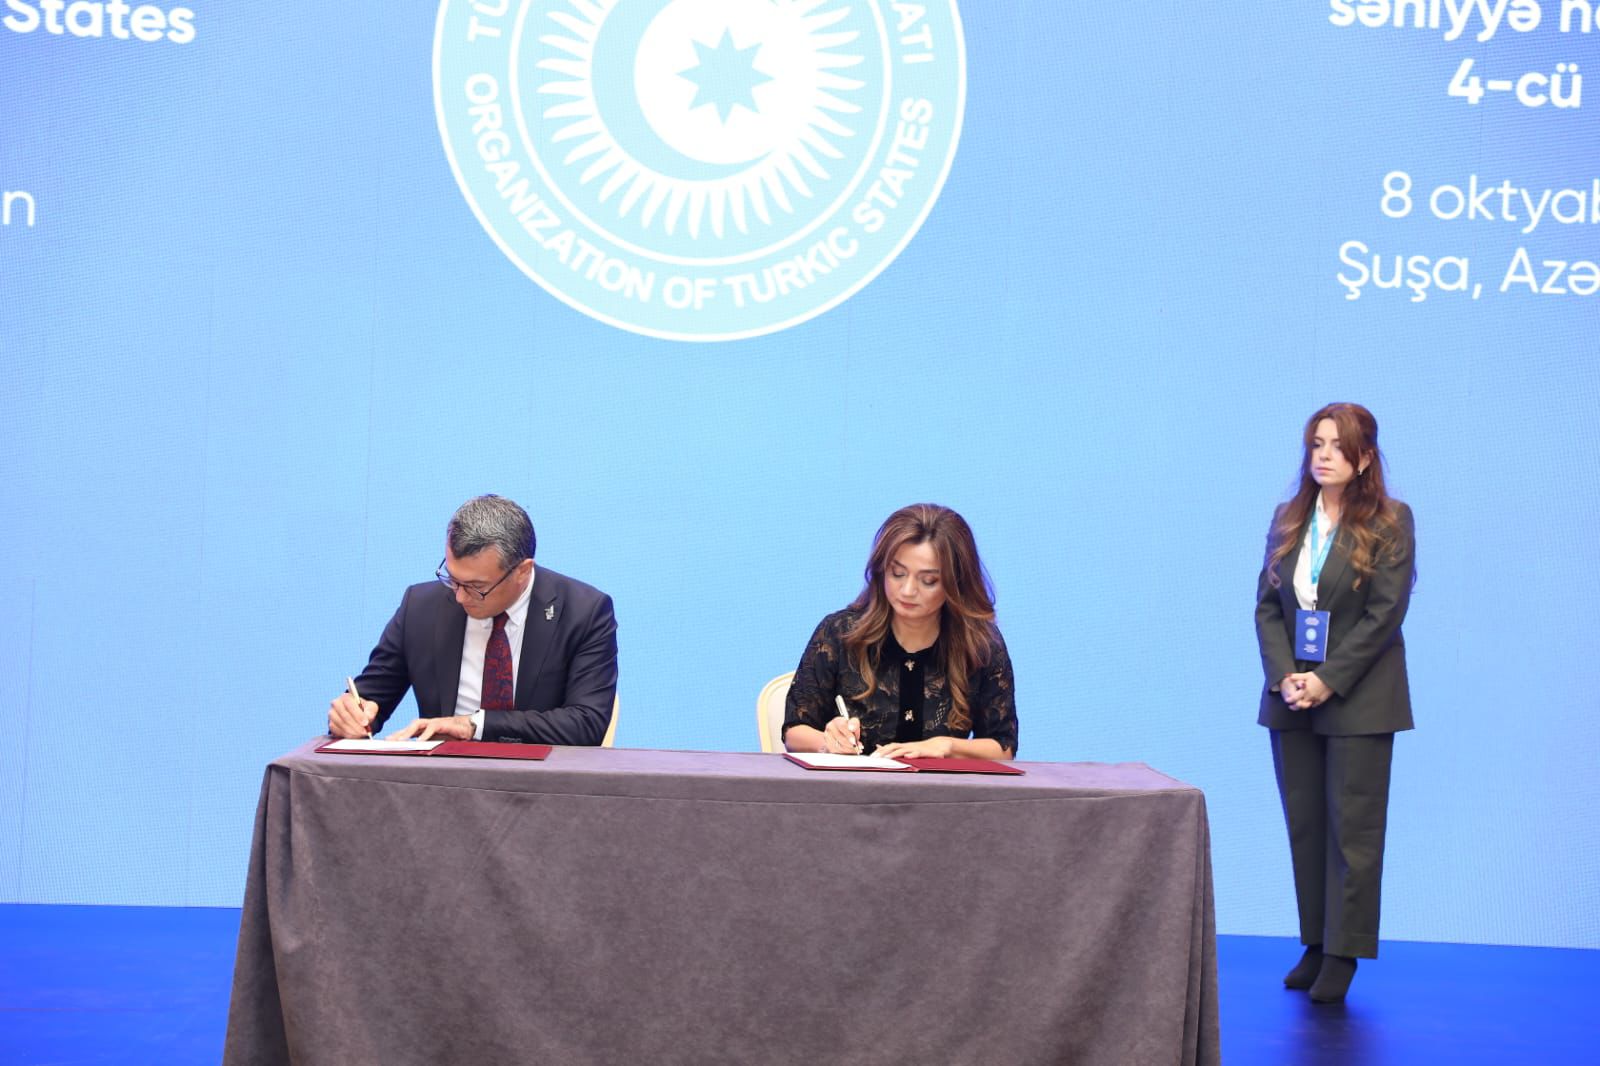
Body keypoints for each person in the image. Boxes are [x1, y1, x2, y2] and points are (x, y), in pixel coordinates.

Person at [1255, 403, 1415, 1004]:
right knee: (1307, 824)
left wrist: (1327, 679)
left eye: (1337, 446)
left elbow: (1384, 615)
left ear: (1365, 457)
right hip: (1292, 697)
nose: (1323, 455)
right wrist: (1287, 677)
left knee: (1354, 830)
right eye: (1316, 444)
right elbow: (1268, 607)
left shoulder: (1391, 520)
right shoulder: (1288, 518)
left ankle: (1345, 951)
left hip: (1360, 697)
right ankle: (1316, 942)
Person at [327, 495, 618, 746]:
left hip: (540, 790)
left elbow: (586, 723)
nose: (460, 598)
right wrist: (351, 715)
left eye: (477, 587)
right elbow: (371, 698)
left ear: (522, 571)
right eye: (452, 579)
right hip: (439, 788)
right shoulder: (421, 607)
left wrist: (475, 726)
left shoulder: (584, 611)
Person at [783, 504, 1017, 760]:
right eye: (897, 574)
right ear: (881, 570)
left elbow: (1002, 747)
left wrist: (947, 746)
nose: (907, 591)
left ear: (956, 583)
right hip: (855, 792)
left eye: (928, 580)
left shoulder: (981, 645)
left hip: (941, 796)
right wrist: (829, 741)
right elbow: (795, 732)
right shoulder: (840, 633)